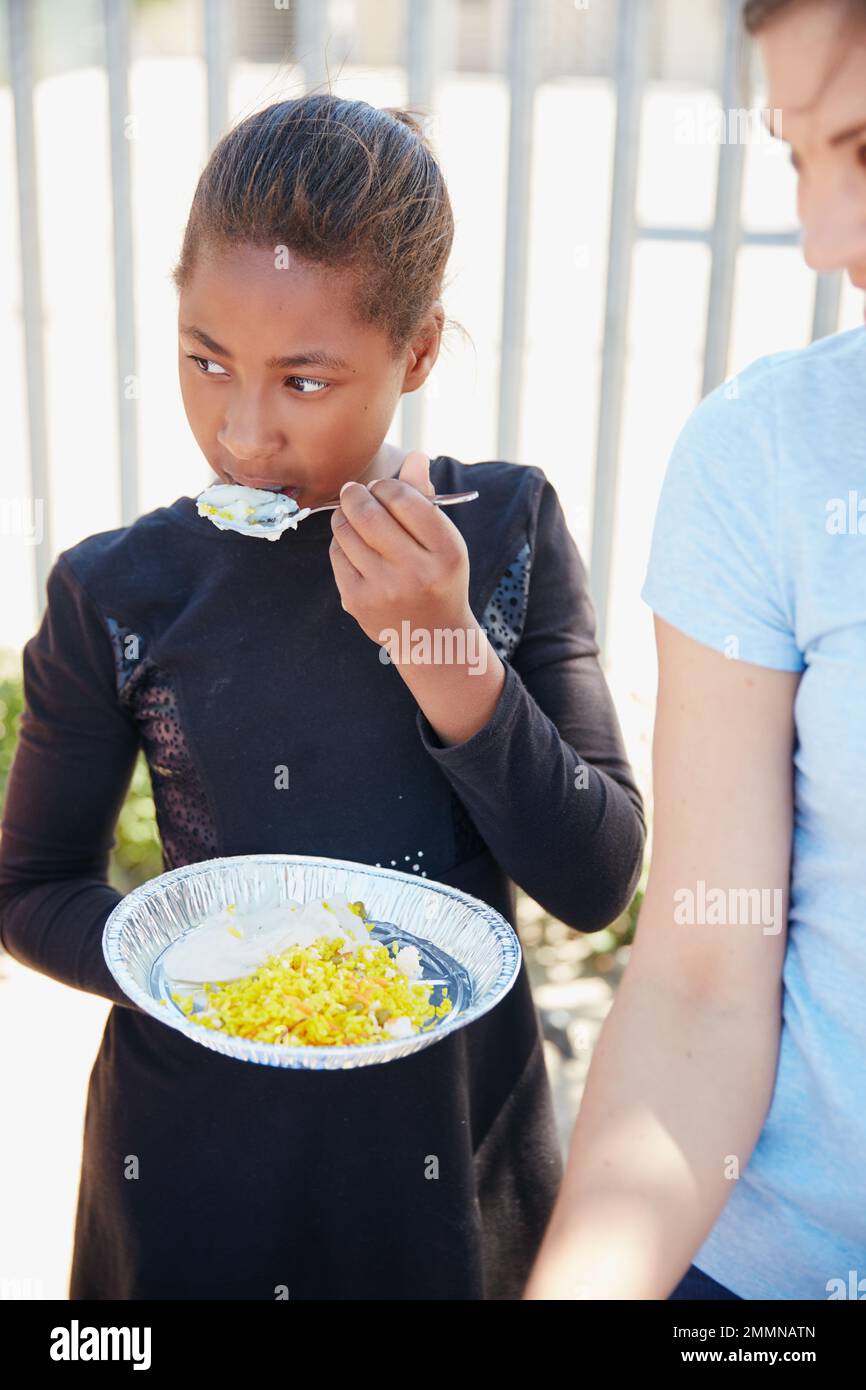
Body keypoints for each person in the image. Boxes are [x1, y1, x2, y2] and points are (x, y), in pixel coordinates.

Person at [0, 94, 645, 1300]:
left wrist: (443, 648)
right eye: (204, 360)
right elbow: (30, 890)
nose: (242, 431)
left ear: (415, 353)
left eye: (303, 380)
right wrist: (199, 971)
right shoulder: (118, 588)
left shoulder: (499, 533)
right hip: (191, 1169)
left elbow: (596, 876)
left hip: (449, 1162)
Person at [523, 0, 866, 1301]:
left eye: (863, 152)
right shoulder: (764, 456)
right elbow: (704, 979)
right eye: (794, 158)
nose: (822, 238)